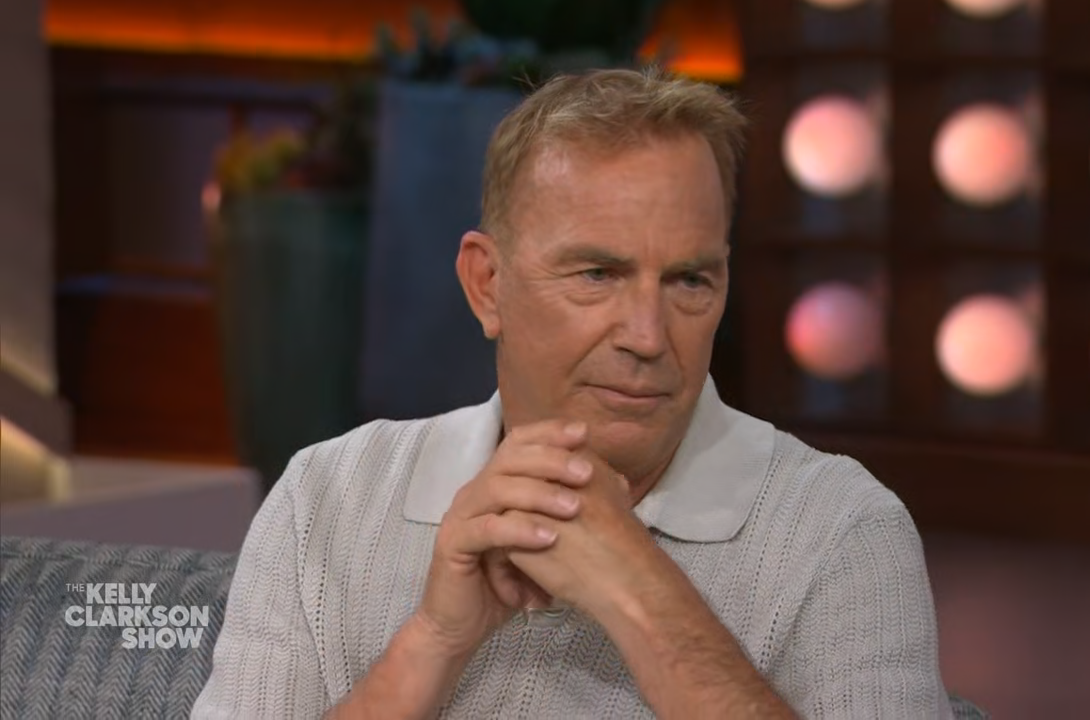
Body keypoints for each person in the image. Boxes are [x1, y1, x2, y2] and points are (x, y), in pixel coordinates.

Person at [192, 67, 953, 719]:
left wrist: (641, 590)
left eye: (689, 280)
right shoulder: (327, 498)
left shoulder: (842, 531)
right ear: (487, 286)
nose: (648, 336)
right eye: (598, 275)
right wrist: (433, 642)